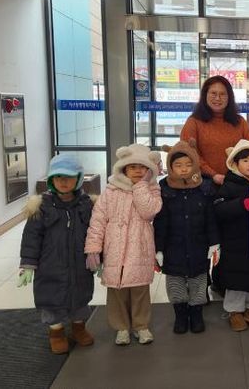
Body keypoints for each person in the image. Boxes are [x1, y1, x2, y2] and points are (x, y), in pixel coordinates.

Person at [85, 144, 162, 345]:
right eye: (132, 167)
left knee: (140, 290)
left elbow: (149, 212)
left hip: (140, 250)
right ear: (123, 168)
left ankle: (141, 325)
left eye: (142, 167)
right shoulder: (110, 191)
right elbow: (98, 220)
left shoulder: (152, 189)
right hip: (115, 250)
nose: (137, 171)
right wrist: (93, 248)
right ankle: (121, 327)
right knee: (117, 291)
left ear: (149, 170)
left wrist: (141, 186)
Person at [18, 154, 95, 354]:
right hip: (50, 265)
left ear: (78, 178)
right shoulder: (42, 206)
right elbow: (31, 238)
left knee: (80, 296)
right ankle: (56, 332)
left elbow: (96, 233)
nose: (63, 181)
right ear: (51, 179)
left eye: (69, 177)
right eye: (58, 177)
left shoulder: (86, 204)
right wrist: (28, 264)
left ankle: (79, 328)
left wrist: (99, 258)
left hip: (79, 264)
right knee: (51, 299)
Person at [153, 140, 220, 334]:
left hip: (199, 246)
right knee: (175, 283)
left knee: (198, 281)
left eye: (188, 164)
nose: (183, 169)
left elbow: (211, 219)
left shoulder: (205, 188)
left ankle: (196, 314)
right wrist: (158, 248)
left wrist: (214, 243)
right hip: (173, 247)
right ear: (170, 166)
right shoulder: (164, 189)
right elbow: (160, 222)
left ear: (195, 164)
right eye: (178, 165)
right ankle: (180, 315)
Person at [213, 140, 249, 332]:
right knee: (236, 281)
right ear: (235, 163)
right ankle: (234, 312)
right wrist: (242, 204)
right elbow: (219, 209)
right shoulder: (229, 185)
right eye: (245, 160)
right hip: (235, 243)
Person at [180, 76, 249, 186]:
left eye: (222, 94)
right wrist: (213, 174)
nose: (218, 98)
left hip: (237, 183)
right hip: (202, 183)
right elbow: (189, 154)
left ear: (229, 97)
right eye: (213, 93)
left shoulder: (240, 122)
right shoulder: (193, 122)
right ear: (205, 95)